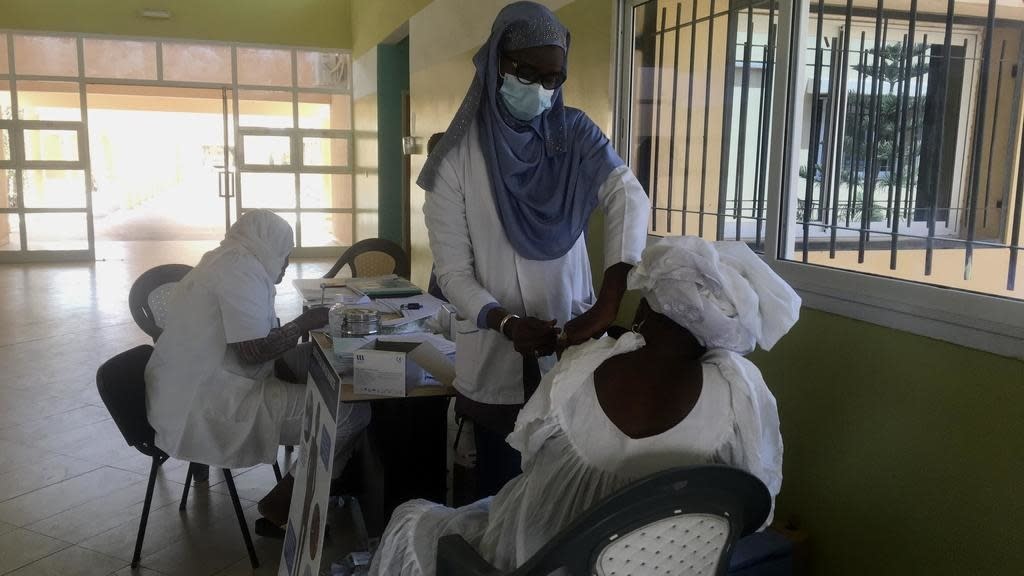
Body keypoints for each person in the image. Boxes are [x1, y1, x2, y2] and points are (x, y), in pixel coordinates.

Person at [367, 235, 801, 576]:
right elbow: (750, 505)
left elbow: (531, 457)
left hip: (543, 559)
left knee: (414, 522)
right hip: (665, 561)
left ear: (646, 311)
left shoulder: (587, 366)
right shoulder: (742, 394)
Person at [420, 1, 649, 497]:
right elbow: (454, 273)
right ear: (496, 63)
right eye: (528, 73)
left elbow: (627, 193)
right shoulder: (456, 158)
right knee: (500, 500)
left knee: (564, 492)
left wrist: (610, 299)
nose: (543, 90)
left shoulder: (574, 133)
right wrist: (504, 321)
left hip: (571, 340)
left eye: (554, 77)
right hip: (494, 355)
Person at [144, 209, 370, 525]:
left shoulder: (223, 259)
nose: (287, 263)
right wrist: (308, 320)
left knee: (315, 358)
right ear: (267, 244)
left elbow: (252, 345)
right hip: (212, 401)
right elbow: (253, 352)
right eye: (285, 254)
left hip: (192, 385)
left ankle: (330, 475)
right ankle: (283, 502)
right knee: (352, 412)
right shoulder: (240, 270)